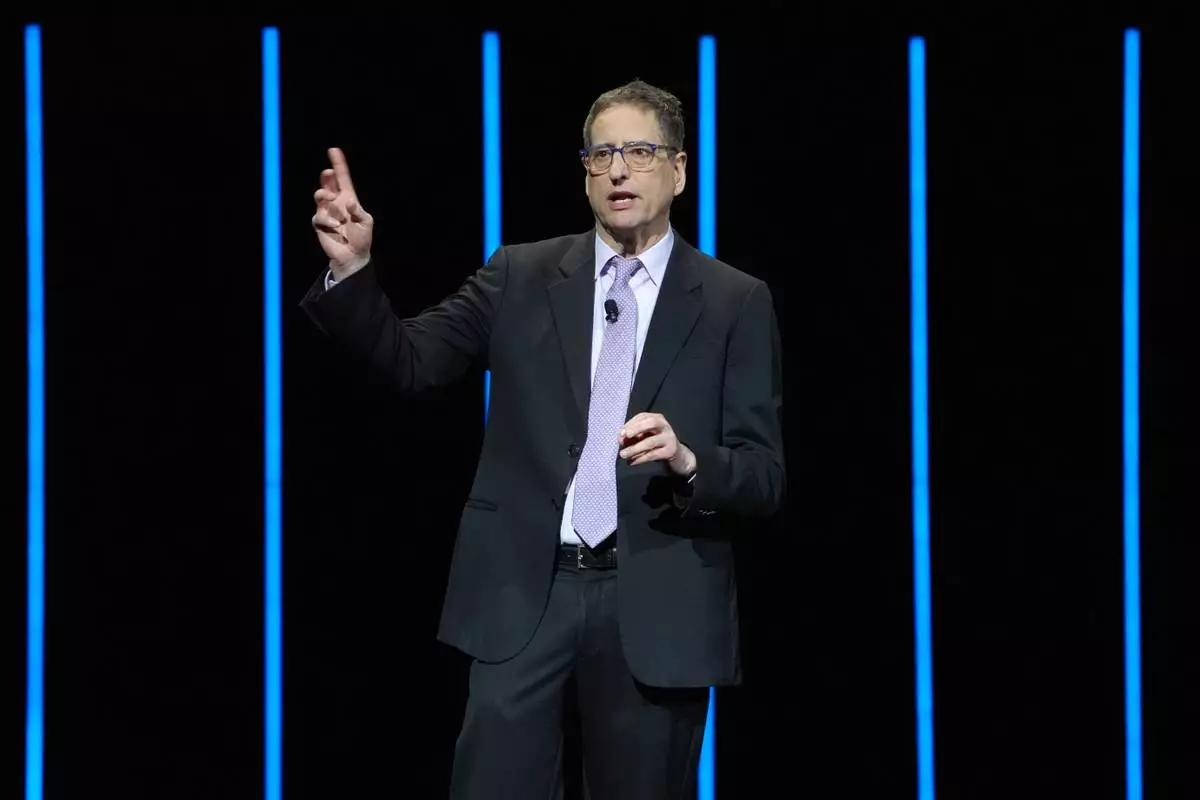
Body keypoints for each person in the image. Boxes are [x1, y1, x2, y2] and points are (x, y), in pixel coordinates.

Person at [300, 79, 785, 799]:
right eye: (602, 154)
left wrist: (688, 461)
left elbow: (763, 476)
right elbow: (411, 362)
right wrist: (353, 271)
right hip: (524, 592)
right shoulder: (520, 274)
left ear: (679, 171)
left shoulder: (733, 300)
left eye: (641, 152)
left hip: (655, 597)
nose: (619, 170)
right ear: (586, 171)